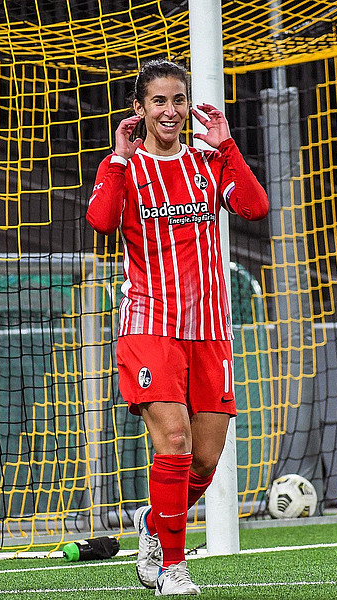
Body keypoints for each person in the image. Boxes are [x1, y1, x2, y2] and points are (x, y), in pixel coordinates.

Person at [86, 58, 269, 596]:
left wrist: (228, 145)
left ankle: (152, 523)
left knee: (205, 461)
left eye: (177, 100)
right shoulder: (122, 166)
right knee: (174, 439)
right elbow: (101, 221)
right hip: (150, 323)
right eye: (159, 101)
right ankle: (171, 565)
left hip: (210, 328)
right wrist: (118, 160)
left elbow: (255, 208)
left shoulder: (209, 163)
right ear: (138, 111)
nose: (171, 110)